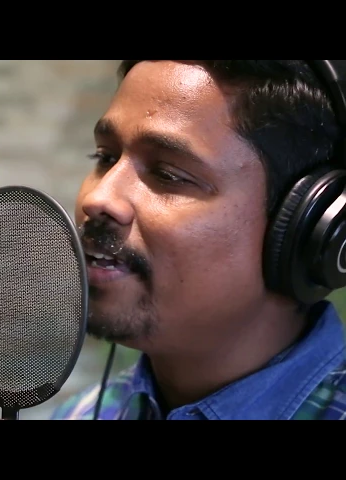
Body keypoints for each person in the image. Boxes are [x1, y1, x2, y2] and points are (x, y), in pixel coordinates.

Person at [50, 60, 346, 420]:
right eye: (105, 157)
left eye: (168, 174)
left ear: (308, 229)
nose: (98, 198)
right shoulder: (80, 414)